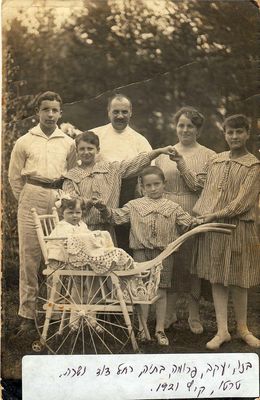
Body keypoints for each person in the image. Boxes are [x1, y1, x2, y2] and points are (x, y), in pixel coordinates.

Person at [170, 114, 260, 349]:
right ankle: (222, 331)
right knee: (218, 278)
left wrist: (213, 215)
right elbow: (198, 186)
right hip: (213, 229)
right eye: (230, 132)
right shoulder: (216, 161)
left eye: (239, 132)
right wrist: (180, 161)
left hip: (239, 228)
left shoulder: (254, 165)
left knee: (240, 279)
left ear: (247, 134)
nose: (234, 136)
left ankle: (242, 328)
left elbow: (242, 203)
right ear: (225, 134)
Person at [94, 166, 201, 346]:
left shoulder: (173, 207)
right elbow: (117, 217)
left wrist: (197, 222)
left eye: (156, 184)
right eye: (148, 185)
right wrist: (104, 209)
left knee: (161, 290)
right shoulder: (134, 205)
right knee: (141, 291)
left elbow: (187, 223)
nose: (153, 188)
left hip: (165, 254)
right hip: (141, 253)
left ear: (164, 184)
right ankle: (142, 328)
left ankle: (160, 329)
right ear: (142, 187)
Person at [8, 91, 76, 334]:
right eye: (45, 109)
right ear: (37, 111)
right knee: (30, 257)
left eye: (54, 110)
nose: (50, 114)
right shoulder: (25, 141)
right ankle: (27, 315)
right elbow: (14, 177)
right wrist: (27, 199)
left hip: (57, 197)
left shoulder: (68, 142)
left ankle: (54, 311)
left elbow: (72, 176)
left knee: (57, 254)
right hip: (31, 194)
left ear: (60, 113)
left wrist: (63, 200)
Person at [155, 106, 215, 334]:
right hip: (167, 212)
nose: (185, 130)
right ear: (175, 127)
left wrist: (180, 162)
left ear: (198, 130)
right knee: (169, 262)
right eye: (181, 125)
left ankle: (194, 315)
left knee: (192, 264)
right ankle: (169, 314)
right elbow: (153, 184)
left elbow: (198, 186)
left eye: (190, 126)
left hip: (193, 210)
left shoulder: (209, 156)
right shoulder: (163, 154)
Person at [62, 131, 175, 243]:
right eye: (82, 149)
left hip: (107, 231)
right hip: (82, 230)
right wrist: (88, 202)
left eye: (90, 148)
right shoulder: (71, 177)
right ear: (76, 151)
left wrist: (159, 151)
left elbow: (135, 163)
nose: (86, 152)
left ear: (98, 150)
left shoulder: (112, 169)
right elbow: (69, 202)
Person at [46, 196, 135, 331]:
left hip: (81, 260)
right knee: (78, 285)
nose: (75, 216)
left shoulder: (81, 224)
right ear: (61, 213)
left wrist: (95, 236)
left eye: (78, 213)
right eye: (70, 213)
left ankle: (91, 317)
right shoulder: (63, 227)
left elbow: (87, 238)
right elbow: (69, 243)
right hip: (67, 261)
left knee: (93, 280)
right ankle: (74, 321)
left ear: (82, 213)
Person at [91, 93, 153, 251]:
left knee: (125, 232)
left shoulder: (139, 140)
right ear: (108, 112)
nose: (120, 116)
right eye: (115, 112)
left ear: (131, 112)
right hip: (101, 189)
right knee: (101, 231)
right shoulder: (95, 135)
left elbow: (149, 168)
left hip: (129, 190)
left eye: (124, 112)